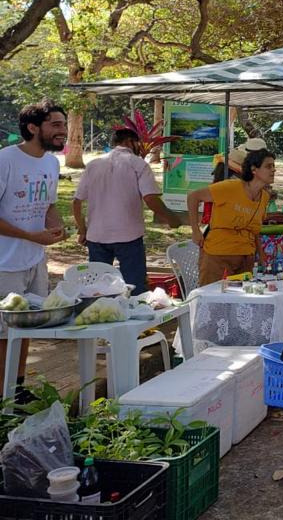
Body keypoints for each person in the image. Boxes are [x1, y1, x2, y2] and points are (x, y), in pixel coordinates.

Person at [0, 100, 67, 395]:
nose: (62, 131)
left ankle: (17, 385)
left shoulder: (52, 162)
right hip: (4, 263)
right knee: (4, 332)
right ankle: (3, 396)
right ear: (32, 127)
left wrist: (56, 225)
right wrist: (31, 236)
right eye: (55, 125)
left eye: (63, 125)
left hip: (35, 261)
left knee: (28, 325)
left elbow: (49, 204)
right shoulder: (6, 160)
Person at [72, 127, 181, 295]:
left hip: (97, 236)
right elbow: (150, 199)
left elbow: (76, 202)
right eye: (138, 143)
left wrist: (82, 229)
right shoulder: (138, 164)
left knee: (99, 289)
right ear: (131, 142)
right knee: (135, 288)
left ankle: (104, 316)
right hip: (128, 236)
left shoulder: (94, 164)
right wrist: (171, 218)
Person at [188, 149, 275, 286]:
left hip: (246, 258)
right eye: (268, 166)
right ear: (254, 169)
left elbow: (255, 230)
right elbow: (193, 196)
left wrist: (261, 254)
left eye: (273, 166)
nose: (273, 170)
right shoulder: (230, 187)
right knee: (212, 300)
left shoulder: (264, 197)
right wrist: (195, 230)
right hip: (218, 255)